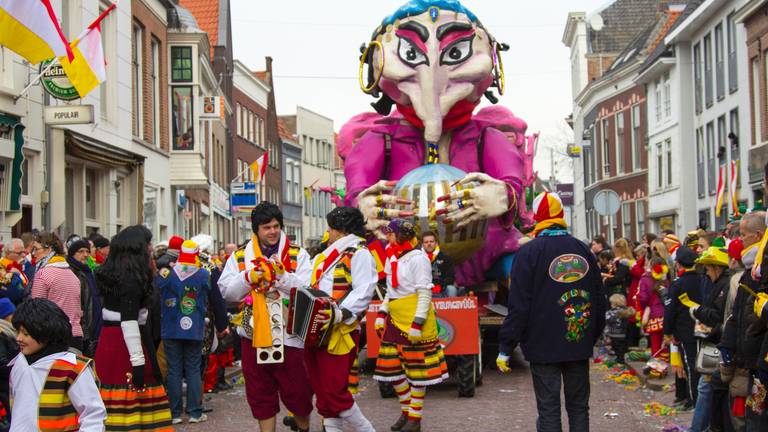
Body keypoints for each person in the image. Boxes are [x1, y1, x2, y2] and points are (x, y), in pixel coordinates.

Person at [497, 192, 606, 432]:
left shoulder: (527, 253)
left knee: (548, 408)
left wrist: (506, 346)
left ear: (537, 218)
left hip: (542, 344)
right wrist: (591, 335)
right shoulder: (583, 250)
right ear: (561, 215)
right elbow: (600, 298)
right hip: (577, 340)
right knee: (579, 407)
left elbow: (519, 305)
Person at [218, 202, 313, 432]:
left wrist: (282, 276)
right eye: (266, 227)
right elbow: (226, 292)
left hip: (290, 336)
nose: (272, 231)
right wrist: (248, 277)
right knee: (260, 394)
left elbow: (308, 290)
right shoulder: (241, 256)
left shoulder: (297, 254)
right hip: (253, 336)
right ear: (256, 230)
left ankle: (304, 429)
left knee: (299, 393)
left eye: (276, 226)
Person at [304, 206, 376, 432]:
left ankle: (366, 429)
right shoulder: (327, 255)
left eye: (331, 228)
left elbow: (364, 290)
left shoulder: (359, 253)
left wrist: (338, 313)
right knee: (323, 391)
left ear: (341, 230)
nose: (329, 232)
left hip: (340, 330)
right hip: (318, 329)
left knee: (334, 389)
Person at [95, 225, 173, 431]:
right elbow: (129, 321)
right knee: (134, 397)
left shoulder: (116, 273)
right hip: (126, 345)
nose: (150, 248)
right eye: (147, 243)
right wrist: (138, 362)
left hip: (111, 341)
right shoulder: (131, 279)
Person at [374, 220, 449, 432]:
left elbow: (425, 293)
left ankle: (415, 418)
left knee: (417, 372)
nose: (386, 237)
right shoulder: (391, 256)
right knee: (391, 370)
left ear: (401, 236)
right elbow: (391, 290)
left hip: (414, 318)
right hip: (395, 318)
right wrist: (382, 312)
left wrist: (417, 323)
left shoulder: (419, 259)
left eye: (390, 234)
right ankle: (407, 411)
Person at [9, 298, 106, 431]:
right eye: (17, 332)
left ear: (45, 333)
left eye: (26, 334)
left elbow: (93, 415)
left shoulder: (72, 367)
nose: (18, 338)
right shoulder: (19, 362)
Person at [720, 211, 768, 429]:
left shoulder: (758, 272)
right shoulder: (749, 273)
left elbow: (754, 318)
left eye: (744, 235)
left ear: (758, 235)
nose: (740, 241)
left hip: (758, 356)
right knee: (750, 414)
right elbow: (737, 315)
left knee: (755, 417)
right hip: (751, 357)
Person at [157, 240, 210, 424]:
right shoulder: (203, 274)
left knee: (174, 370)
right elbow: (210, 292)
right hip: (194, 327)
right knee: (194, 369)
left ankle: (175, 413)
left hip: (171, 327)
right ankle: (195, 412)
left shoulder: (168, 274)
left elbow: (158, 289)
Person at [683, 243, 731, 432]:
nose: (706, 272)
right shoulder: (720, 284)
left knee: (705, 386)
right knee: (708, 387)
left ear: (717, 267)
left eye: (708, 268)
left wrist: (698, 312)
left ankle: (698, 429)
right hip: (713, 341)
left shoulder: (723, 286)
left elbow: (716, 315)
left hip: (715, 343)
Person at [29, 232, 84, 352]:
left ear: (48, 249)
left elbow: (35, 310)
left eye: (36, 249)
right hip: (76, 335)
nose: (33, 254)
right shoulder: (71, 273)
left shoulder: (43, 274)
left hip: (54, 337)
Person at [663, 246, 702, 410]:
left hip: (685, 331)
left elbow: (670, 310)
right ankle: (693, 398)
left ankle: (694, 400)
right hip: (702, 328)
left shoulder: (678, 284)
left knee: (689, 366)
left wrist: (667, 331)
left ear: (678, 264)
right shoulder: (702, 279)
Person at [66, 235, 102, 357]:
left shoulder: (89, 271)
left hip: (96, 326)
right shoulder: (71, 272)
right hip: (83, 330)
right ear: (72, 254)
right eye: (81, 251)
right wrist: (85, 330)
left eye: (87, 251)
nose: (85, 255)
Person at [638, 257, 669, 360]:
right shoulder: (666, 281)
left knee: (655, 344)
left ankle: (657, 368)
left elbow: (643, 298)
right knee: (665, 344)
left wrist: (645, 308)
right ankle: (665, 364)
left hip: (653, 316)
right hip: (666, 315)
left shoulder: (645, 279)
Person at [420, 231, 456, 298]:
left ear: (436, 243)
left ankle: (451, 308)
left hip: (441, 290)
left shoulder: (445, 258)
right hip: (423, 291)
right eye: (426, 242)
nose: (429, 244)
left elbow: (450, 277)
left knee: (452, 289)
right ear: (422, 244)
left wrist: (440, 286)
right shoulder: (417, 258)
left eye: (431, 241)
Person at [0, 298, 17, 429]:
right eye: (12, 314)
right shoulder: (2, 334)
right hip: (5, 387)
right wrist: (20, 369)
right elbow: (2, 364)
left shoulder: (10, 331)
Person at [605, 294, 633, 364]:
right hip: (624, 333)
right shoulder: (625, 310)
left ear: (615, 303)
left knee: (616, 347)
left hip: (614, 333)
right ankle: (620, 358)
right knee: (621, 348)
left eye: (611, 303)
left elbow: (607, 318)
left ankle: (620, 360)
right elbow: (631, 312)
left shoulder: (612, 312)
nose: (610, 304)